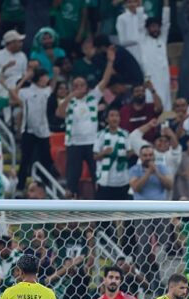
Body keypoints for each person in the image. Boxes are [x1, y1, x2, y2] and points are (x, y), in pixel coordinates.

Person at [57, 46, 115, 198]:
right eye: (75, 85)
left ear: (86, 87)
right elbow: (59, 114)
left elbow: (105, 80)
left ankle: (99, 202)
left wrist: (110, 62)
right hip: (73, 143)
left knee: (96, 174)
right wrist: (70, 96)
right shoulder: (68, 101)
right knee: (72, 178)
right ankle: (71, 205)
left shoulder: (93, 97)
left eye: (81, 85)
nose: (78, 88)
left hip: (91, 142)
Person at [94, 108, 134, 200]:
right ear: (107, 119)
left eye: (117, 116)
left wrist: (127, 153)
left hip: (122, 180)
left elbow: (129, 153)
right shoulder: (100, 135)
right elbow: (95, 156)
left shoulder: (125, 134)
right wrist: (104, 152)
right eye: (112, 116)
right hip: (105, 181)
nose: (114, 118)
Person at [138, 0, 171, 108]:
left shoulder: (162, 39)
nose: (155, 29)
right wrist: (140, 4)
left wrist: (166, 3)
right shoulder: (143, 40)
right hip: (150, 76)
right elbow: (140, 24)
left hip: (164, 76)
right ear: (148, 29)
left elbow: (166, 22)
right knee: (150, 101)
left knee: (165, 99)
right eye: (152, 27)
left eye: (157, 26)